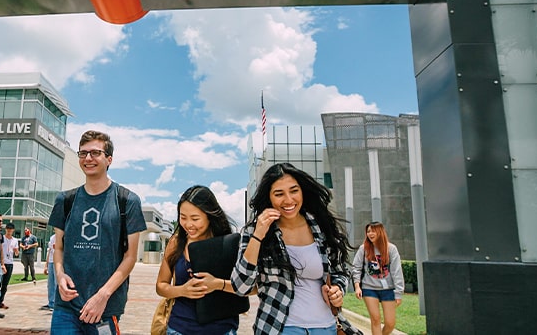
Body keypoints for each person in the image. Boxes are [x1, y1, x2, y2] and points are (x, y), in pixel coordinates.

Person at [232, 163, 351, 335]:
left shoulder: (321, 226)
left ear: (302, 191)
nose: (288, 200)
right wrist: (258, 235)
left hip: (326, 327)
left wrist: (338, 290)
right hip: (279, 328)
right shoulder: (254, 230)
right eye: (279, 194)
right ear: (269, 198)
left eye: (294, 191)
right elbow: (241, 287)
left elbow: (340, 272)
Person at [47, 130, 147, 334]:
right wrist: (60, 276)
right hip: (67, 306)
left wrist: (103, 295)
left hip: (106, 308)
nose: (88, 158)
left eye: (95, 153)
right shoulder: (65, 201)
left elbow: (130, 257)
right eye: (83, 153)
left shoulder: (127, 200)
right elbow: (59, 248)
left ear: (109, 159)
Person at [155, 185, 240, 335]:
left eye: (195, 218)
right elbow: (161, 286)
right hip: (179, 329)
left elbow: (250, 288)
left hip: (222, 329)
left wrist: (217, 284)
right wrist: (182, 290)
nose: (188, 224)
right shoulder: (176, 242)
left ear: (210, 216)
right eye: (183, 217)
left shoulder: (227, 244)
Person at [352, 221, 404, 335]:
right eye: (368, 231)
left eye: (373, 231)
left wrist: (399, 292)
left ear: (380, 232)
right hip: (369, 288)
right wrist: (357, 286)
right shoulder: (363, 248)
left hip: (388, 289)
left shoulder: (391, 249)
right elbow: (356, 268)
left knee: (390, 323)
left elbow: (397, 271)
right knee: (375, 319)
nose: (370, 234)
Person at [0, 222, 18, 309]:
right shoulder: (2, 238)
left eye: (11, 229)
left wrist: (16, 251)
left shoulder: (15, 240)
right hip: (2, 262)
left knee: (5, 285)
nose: (9, 231)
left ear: (13, 230)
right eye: (8, 229)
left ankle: (0, 301)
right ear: (5, 229)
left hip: (10, 263)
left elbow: (17, 254)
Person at [42, 232, 57, 311]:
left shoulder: (64, 236)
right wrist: (46, 265)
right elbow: (49, 252)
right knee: (50, 284)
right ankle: (51, 302)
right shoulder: (52, 237)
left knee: (56, 283)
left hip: (58, 262)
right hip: (51, 261)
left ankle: (56, 304)